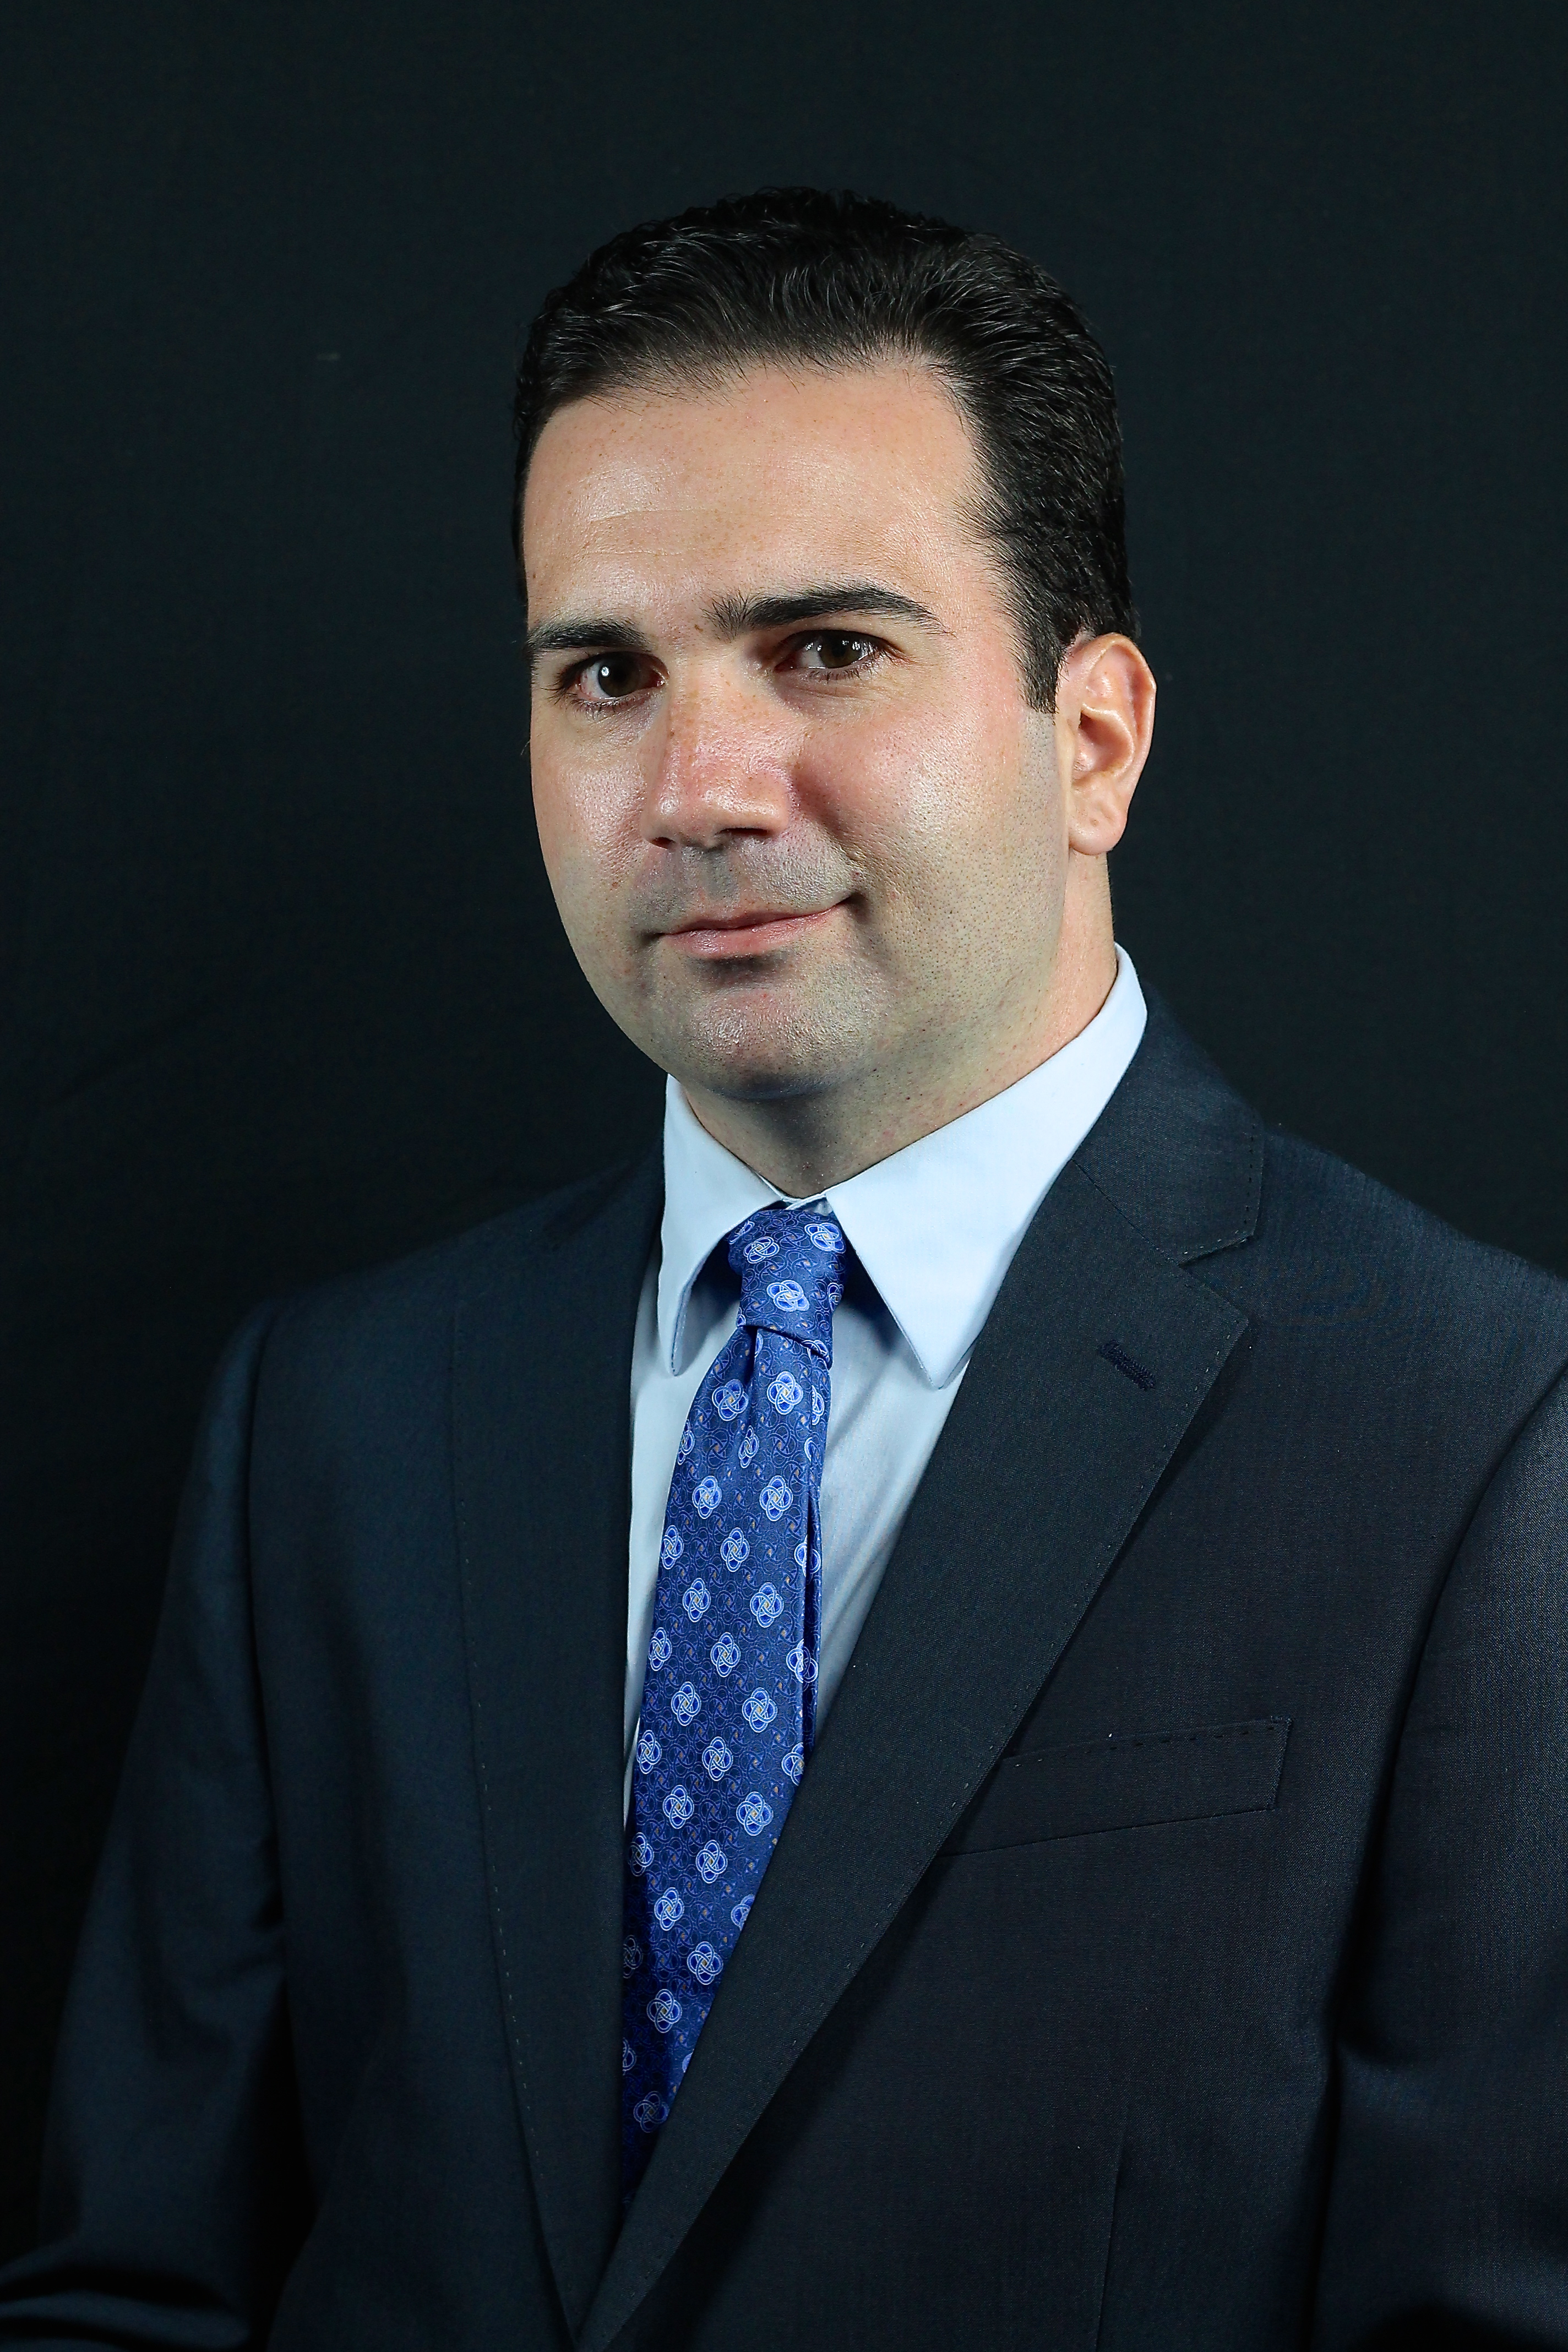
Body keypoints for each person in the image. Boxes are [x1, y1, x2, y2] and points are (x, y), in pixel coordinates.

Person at [3, 186, 1566, 2352]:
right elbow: (134, 2294)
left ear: (1093, 740)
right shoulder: (334, 1422)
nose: (700, 788)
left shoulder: (1479, 1433)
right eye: (605, 675)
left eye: (826, 649)